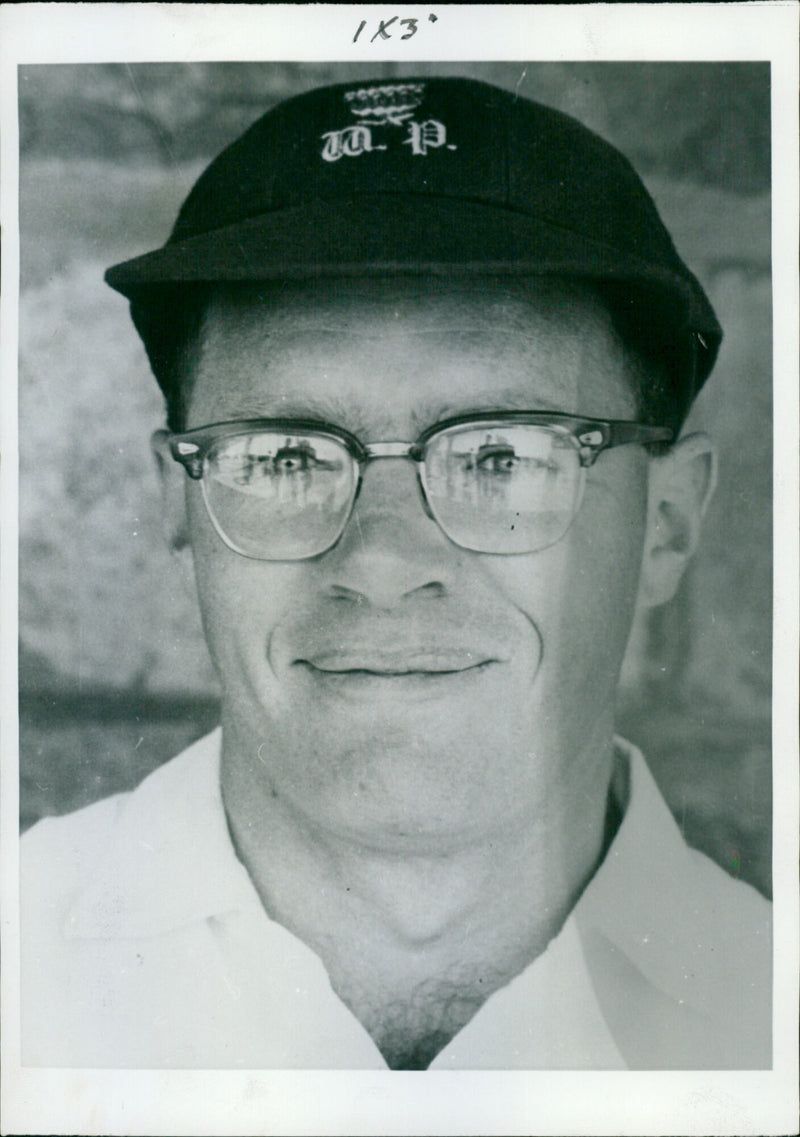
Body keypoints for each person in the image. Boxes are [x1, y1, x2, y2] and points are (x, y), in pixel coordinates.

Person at [21, 75, 771, 1070]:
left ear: (665, 525)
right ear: (177, 503)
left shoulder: (769, 1009)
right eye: (286, 456)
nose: (380, 562)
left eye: (501, 455)